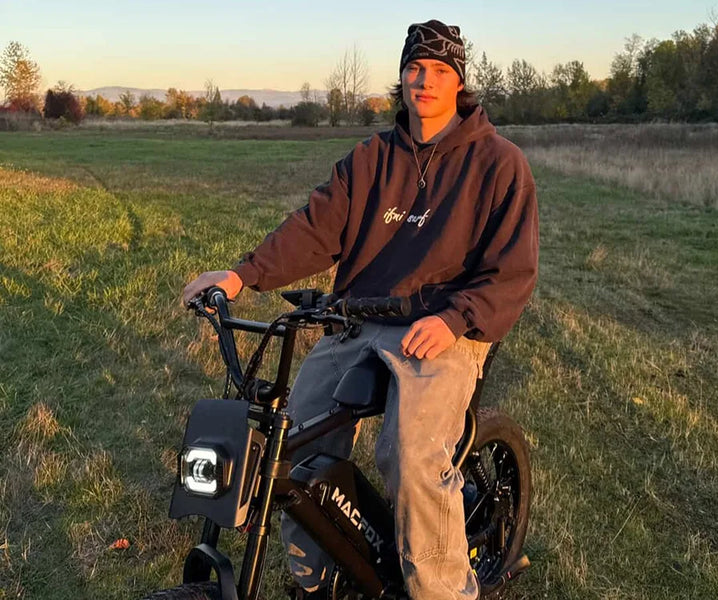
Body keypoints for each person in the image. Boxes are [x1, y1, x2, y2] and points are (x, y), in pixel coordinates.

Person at [182, 19, 538, 600]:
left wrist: (452, 321)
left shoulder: (499, 164)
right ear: (402, 76)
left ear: (459, 83)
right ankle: (317, 581)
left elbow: (513, 272)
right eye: (415, 68)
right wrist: (243, 274)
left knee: (411, 455)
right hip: (358, 319)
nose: (424, 80)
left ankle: (444, 589)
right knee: (295, 443)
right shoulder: (374, 157)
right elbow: (317, 226)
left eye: (439, 71)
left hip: (446, 327)